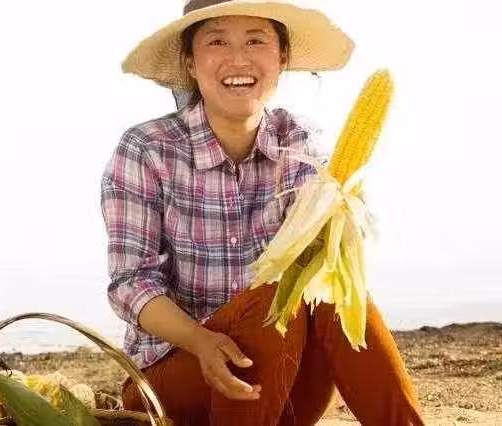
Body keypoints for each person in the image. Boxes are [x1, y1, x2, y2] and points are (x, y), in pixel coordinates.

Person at [100, 1, 425, 425]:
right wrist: (200, 341)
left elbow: (322, 270)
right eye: (217, 41)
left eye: (256, 41)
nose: (238, 59)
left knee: (333, 291)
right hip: (175, 381)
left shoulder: (301, 142)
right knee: (273, 297)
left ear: (282, 58)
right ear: (190, 62)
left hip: (283, 382)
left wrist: (344, 220)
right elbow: (131, 284)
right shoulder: (147, 149)